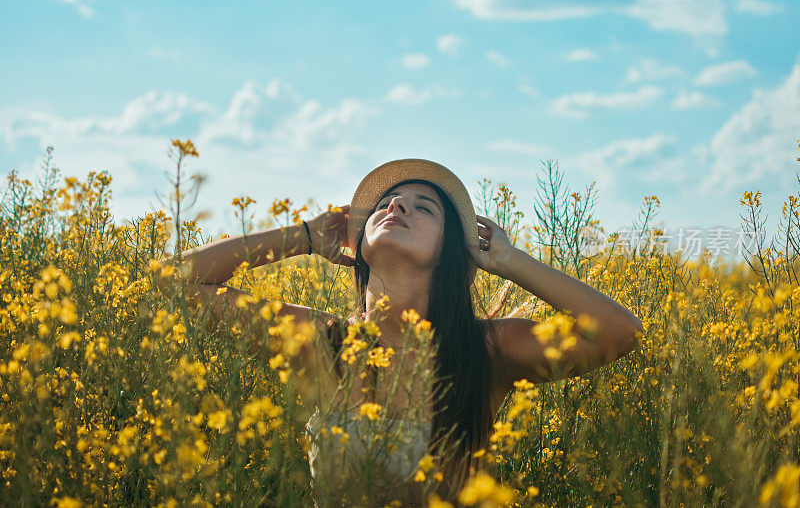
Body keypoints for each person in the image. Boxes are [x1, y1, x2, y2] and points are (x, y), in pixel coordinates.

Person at [172, 158, 644, 506]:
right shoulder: (323, 340)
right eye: (385, 203)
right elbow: (174, 283)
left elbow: (619, 332)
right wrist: (305, 237)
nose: (396, 204)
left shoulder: (485, 350)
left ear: (450, 251)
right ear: (358, 247)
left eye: (425, 208)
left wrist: (508, 260)